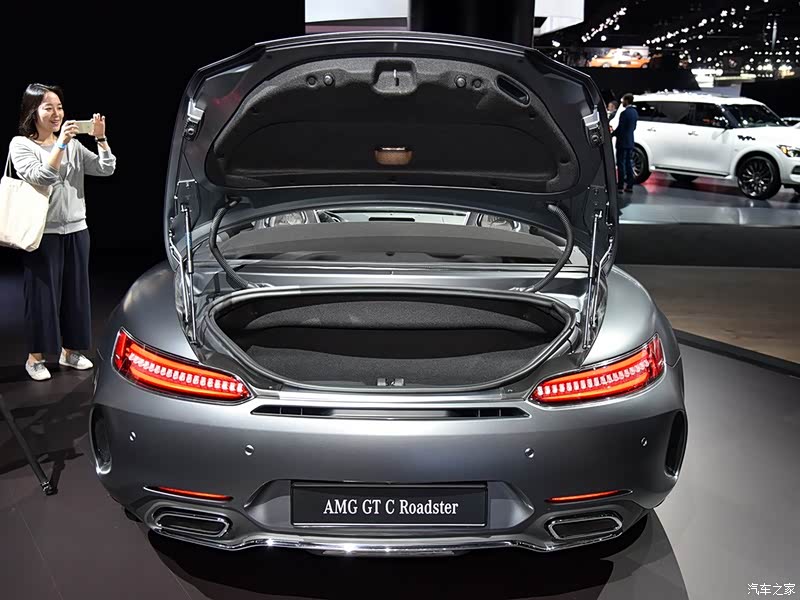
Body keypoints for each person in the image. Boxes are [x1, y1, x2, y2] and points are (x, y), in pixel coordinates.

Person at [9, 83, 116, 381]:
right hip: (43, 232)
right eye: (48, 108)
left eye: (59, 107)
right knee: (42, 296)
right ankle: (35, 358)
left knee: (76, 294)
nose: (57, 114)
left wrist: (101, 139)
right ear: (33, 112)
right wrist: (61, 145)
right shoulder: (21, 145)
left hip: (78, 229)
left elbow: (106, 169)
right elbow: (42, 176)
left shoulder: (74, 146)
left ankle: (70, 352)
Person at [611, 93, 638, 193]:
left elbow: (620, 129)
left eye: (623, 100)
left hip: (622, 142)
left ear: (627, 100)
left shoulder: (624, 113)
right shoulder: (635, 112)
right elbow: (634, 127)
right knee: (628, 163)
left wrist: (612, 134)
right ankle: (630, 185)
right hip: (630, 141)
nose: (622, 102)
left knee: (621, 164)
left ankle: (620, 186)